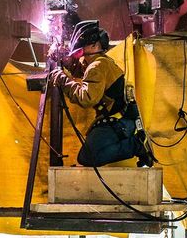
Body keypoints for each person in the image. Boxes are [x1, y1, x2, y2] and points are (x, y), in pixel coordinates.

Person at [49, 20, 155, 168]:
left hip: (117, 123)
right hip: (123, 121)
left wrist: (61, 79)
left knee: (88, 157)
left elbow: (87, 98)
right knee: (88, 156)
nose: (81, 50)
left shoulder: (97, 66)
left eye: (84, 45)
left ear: (94, 45)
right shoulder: (102, 62)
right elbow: (89, 76)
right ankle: (136, 145)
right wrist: (70, 64)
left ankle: (136, 145)